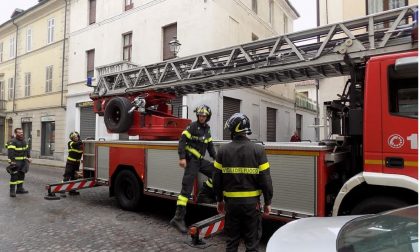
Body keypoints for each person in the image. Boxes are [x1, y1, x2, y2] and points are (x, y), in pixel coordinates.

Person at [213, 113, 273, 252]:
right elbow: (266, 179)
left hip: (231, 205)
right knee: (252, 244)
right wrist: (268, 202)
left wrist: (219, 200)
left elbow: (217, 179)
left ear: (234, 130)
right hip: (252, 206)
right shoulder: (258, 150)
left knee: (232, 242)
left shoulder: (222, 151)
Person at [170, 104, 217, 233]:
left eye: (204, 116)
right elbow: (182, 141)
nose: (202, 117)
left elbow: (210, 146)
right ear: (198, 116)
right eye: (200, 115)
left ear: (207, 117)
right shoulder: (192, 126)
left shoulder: (207, 129)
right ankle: (178, 218)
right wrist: (182, 157)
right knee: (186, 190)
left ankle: (203, 195)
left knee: (216, 172)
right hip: (191, 162)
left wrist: (217, 159)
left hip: (200, 161)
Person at [7, 128, 31, 197]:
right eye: (19, 132)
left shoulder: (24, 141)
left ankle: (19, 189)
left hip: (23, 162)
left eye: (22, 132)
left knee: (21, 175)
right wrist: (12, 161)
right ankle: (12, 191)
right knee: (14, 177)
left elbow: (27, 150)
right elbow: (10, 153)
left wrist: (29, 157)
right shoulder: (12, 141)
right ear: (16, 133)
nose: (21, 134)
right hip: (15, 162)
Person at [61, 131, 83, 197]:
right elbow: (75, 144)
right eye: (74, 137)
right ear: (72, 138)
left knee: (74, 177)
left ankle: (72, 190)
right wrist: (83, 141)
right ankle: (62, 190)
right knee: (67, 176)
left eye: (76, 137)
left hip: (77, 163)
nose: (76, 138)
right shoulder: (70, 143)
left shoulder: (80, 145)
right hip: (70, 163)